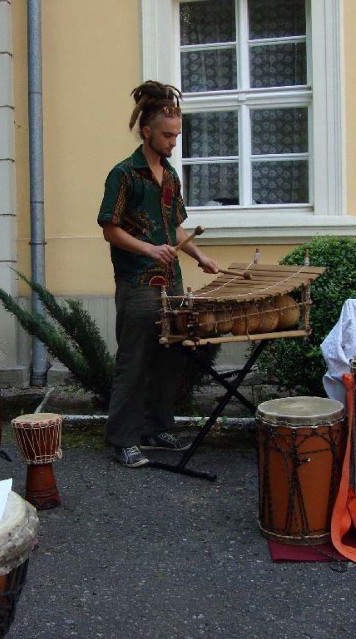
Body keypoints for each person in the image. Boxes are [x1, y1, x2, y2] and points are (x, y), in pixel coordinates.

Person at [97, 81, 220, 468]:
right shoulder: (124, 175)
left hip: (172, 283)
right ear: (146, 131)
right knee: (134, 362)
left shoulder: (170, 177)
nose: (173, 142)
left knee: (170, 359)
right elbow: (109, 228)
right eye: (168, 135)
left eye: (177, 135)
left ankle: (155, 427)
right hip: (137, 285)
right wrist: (149, 248)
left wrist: (199, 256)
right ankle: (122, 439)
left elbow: (177, 227)